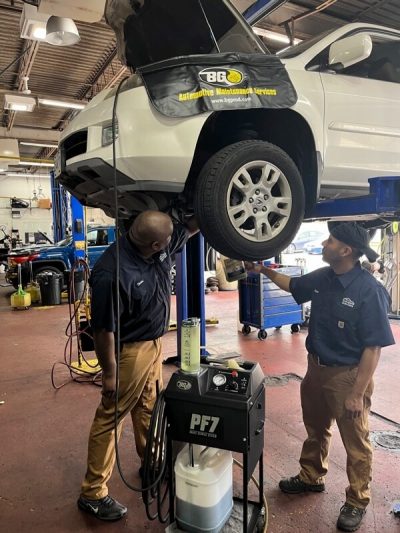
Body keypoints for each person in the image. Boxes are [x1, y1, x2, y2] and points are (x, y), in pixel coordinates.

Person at [246, 222, 395, 532]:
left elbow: (373, 348)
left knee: (357, 442)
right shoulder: (324, 276)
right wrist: (263, 270)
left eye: (331, 240)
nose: (325, 244)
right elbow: (293, 286)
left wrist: (357, 392)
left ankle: (357, 500)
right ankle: (311, 476)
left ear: (346, 250)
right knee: (315, 428)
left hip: (347, 376)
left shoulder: (369, 290)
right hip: (315, 369)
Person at [77, 210, 198, 521]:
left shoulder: (157, 245)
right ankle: (93, 493)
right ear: (154, 243)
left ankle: (151, 462)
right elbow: (104, 330)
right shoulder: (112, 273)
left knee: (148, 406)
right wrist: (110, 375)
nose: (174, 243)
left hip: (154, 344)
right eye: (168, 240)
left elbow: (190, 229)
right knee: (111, 416)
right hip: (128, 352)